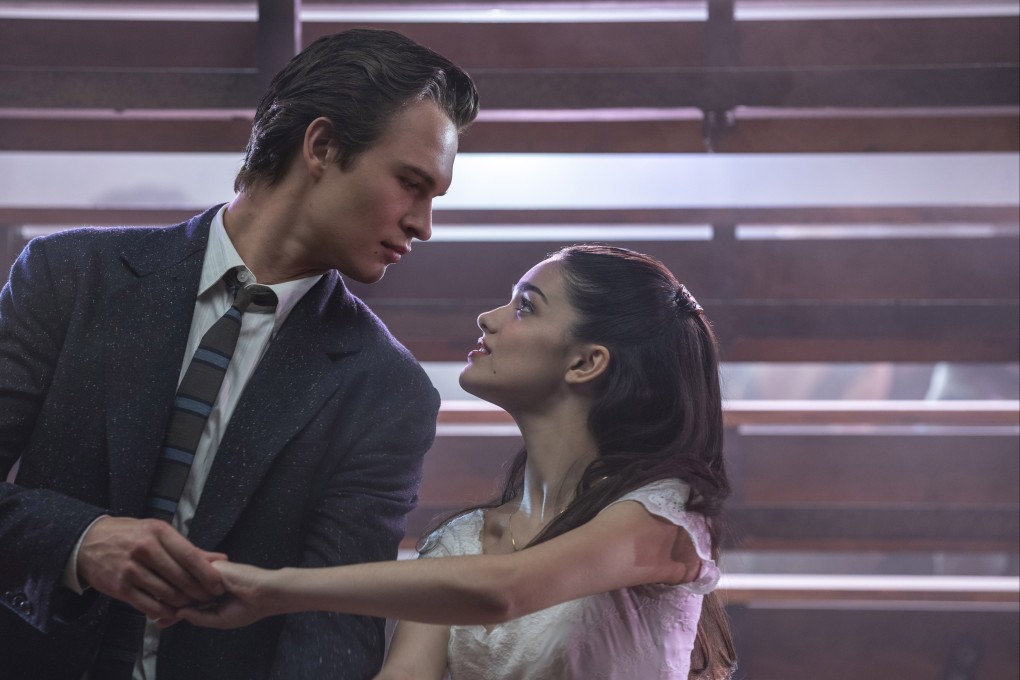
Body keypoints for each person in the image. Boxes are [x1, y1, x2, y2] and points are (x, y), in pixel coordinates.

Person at [0, 28, 478, 680]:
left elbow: (333, 631)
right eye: (411, 183)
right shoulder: (71, 275)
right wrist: (78, 542)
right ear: (322, 146)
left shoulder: (388, 389)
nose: (423, 223)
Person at [175, 245, 738, 679]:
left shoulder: (666, 515)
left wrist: (273, 591)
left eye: (525, 306)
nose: (489, 318)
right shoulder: (462, 543)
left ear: (586, 362)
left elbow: (504, 590)